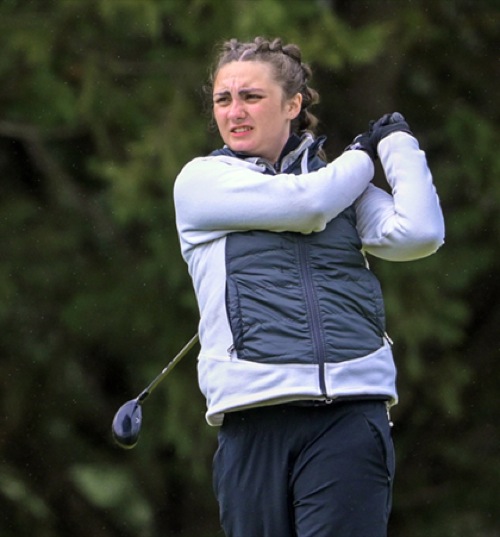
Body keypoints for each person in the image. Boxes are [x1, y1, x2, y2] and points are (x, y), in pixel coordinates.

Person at [173, 36, 444, 537]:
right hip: (253, 419)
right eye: (223, 99)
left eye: (251, 96)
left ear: (292, 105)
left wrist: (398, 145)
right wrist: (362, 155)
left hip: (350, 412)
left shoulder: (339, 185)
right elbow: (305, 206)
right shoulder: (201, 181)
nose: (235, 111)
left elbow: (419, 234)